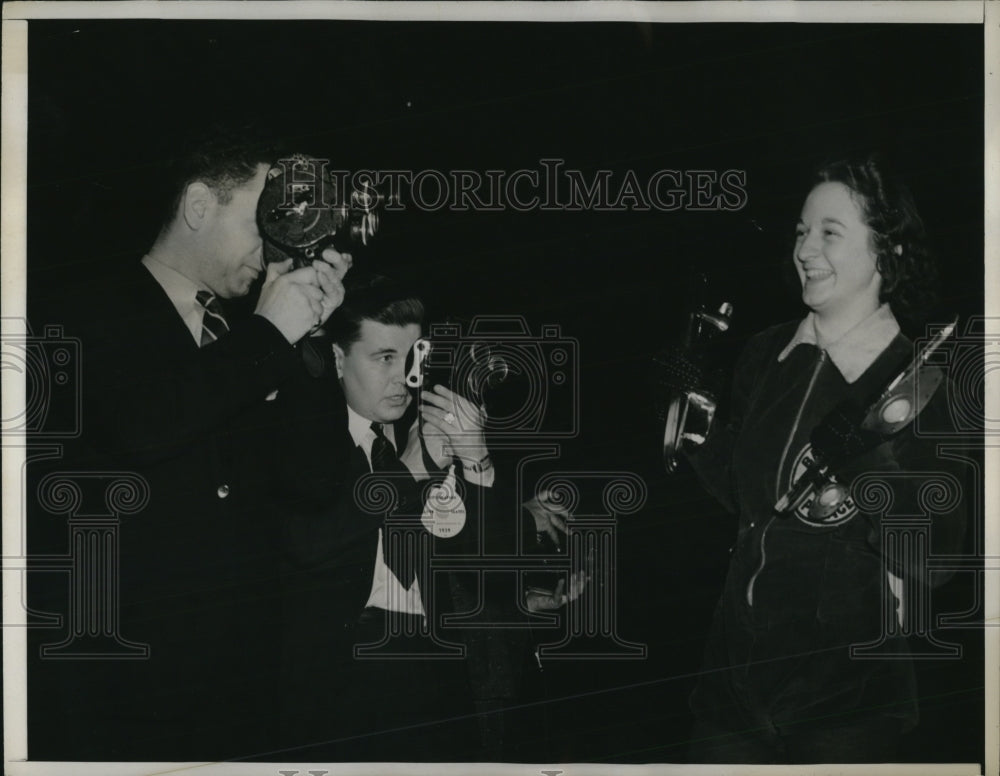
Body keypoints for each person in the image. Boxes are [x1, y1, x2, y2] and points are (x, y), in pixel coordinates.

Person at [30, 129, 351, 761]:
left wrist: (305, 331)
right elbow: (139, 428)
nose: (277, 235)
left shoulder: (250, 339)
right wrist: (267, 334)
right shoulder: (81, 306)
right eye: (267, 214)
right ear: (200, 206)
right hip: (119, 684)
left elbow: (314, 482)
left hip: (241, 690)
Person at [678, 154, 966, 763]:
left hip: (845, 709)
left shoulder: (919, 380)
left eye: (830, 232)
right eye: (802, 231)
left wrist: (865, 453)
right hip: (731, 695)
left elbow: (936, 559)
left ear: (885, 252)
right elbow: (750, 495)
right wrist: (690, 423)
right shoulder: (765, 354)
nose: (806, 248)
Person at [276, 275, 507, 761]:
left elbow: (490, 571)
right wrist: (409, 470)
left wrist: (478, 464)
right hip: (338, 685)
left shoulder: (424, 439)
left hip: (431, 678)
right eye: (384, 358)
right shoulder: (303, 439)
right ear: (338, 359)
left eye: (414, 358)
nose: (405, 377)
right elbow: (307, 542)